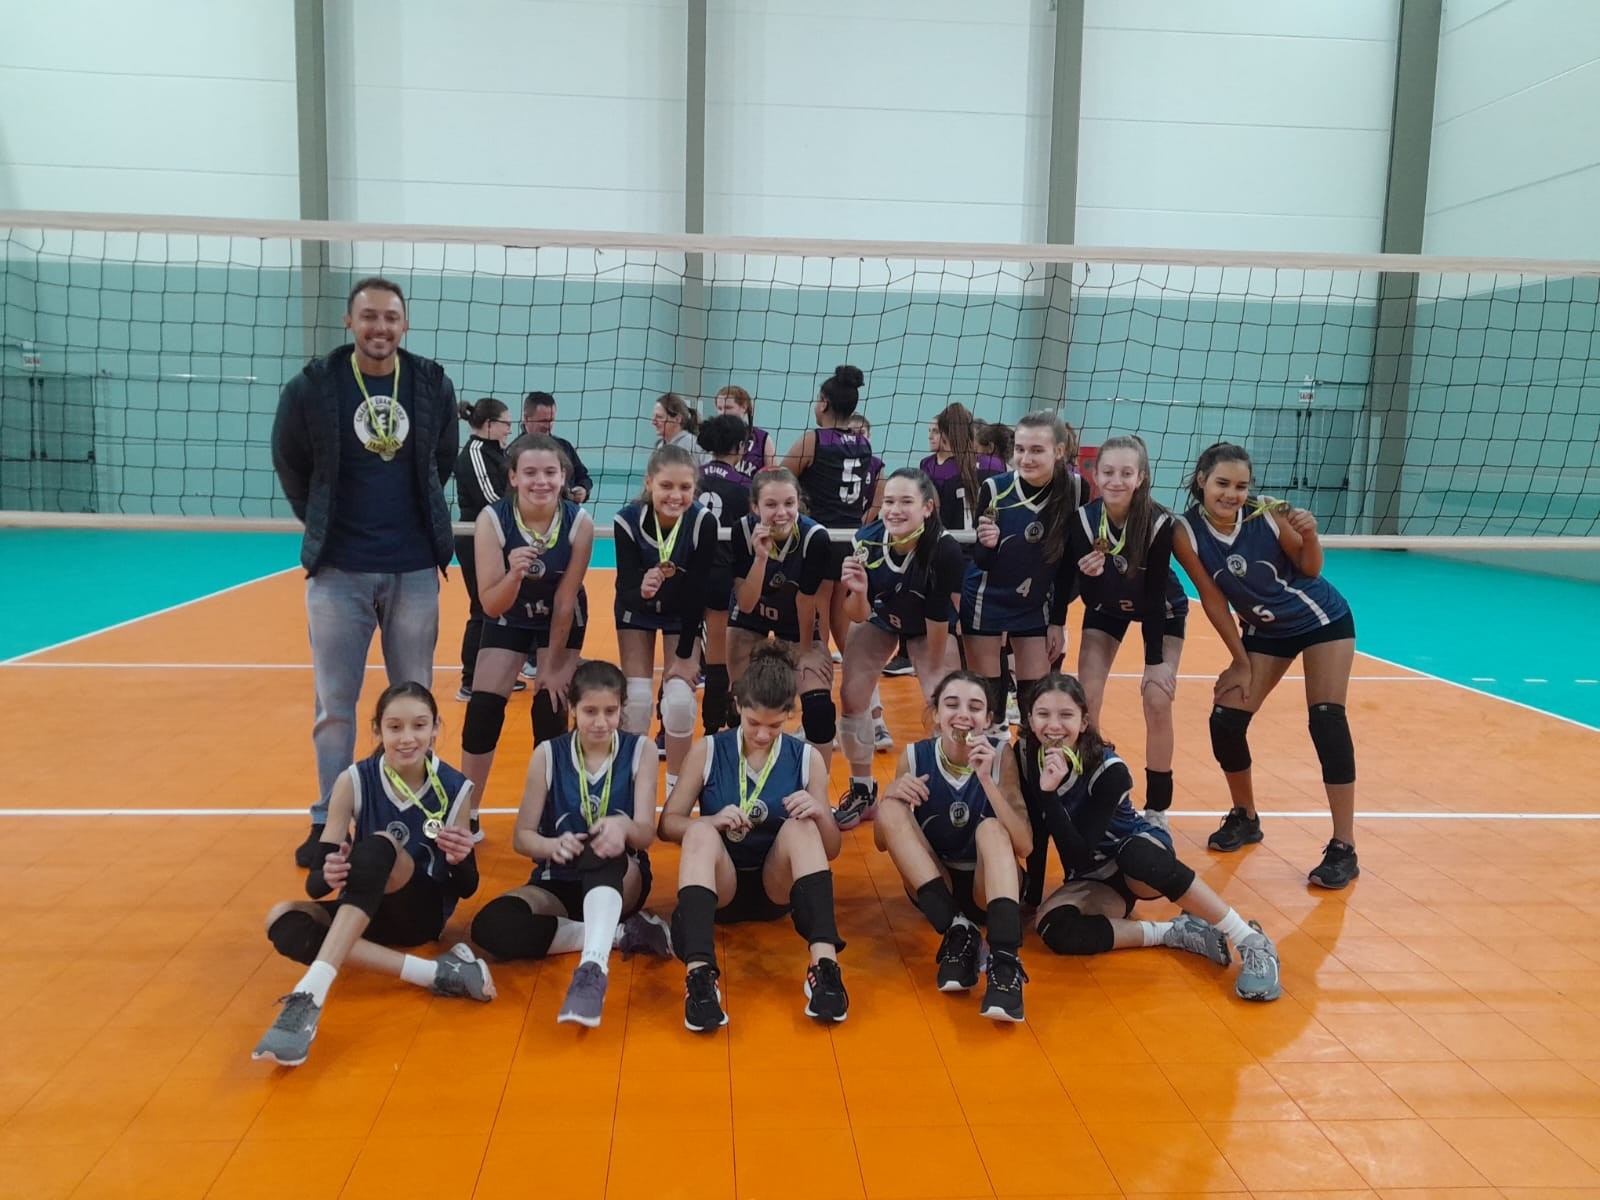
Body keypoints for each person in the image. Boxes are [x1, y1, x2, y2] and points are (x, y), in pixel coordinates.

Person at [272, 276, 460, 867]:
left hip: (413, 568)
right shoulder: (313, 386)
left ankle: (418, 811)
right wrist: (321, 520)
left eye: (391, 317)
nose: (380, 327)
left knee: (416, 702)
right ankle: (330, 821)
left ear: (405, 324)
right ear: (350, 322)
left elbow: (442, 459)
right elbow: (290, 461)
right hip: (339, 569)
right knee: (335, 704)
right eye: (369, 316)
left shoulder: (430, 383)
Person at [254, 683, 494, 1067]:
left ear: (435, 728)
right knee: (281, 918)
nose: (407, 738)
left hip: (421, 914)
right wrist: (329, 873)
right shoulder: (353, 780)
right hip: (363, 910)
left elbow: (467, 887)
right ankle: (434, 973)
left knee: (380, 845)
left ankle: (310, 994)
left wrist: (459, 859)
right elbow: (315, 885)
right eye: (394, 727)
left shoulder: (455, 787)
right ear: (377, 730)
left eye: (419, 726)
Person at [1015, 674, 1281, 1001]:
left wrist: (1048, 795)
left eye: (1066, 715)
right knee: (1054, 927)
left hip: (1139, 859)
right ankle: (1174, 933)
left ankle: (1250, 940)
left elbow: (1078, 853)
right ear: (1029, 719)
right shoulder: (1028, 753)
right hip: (1095, 876)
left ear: (1084, 722)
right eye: (1043, 714)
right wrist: (1032, 899)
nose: (1053, 725)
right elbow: (1040, 831)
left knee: (1135, 856)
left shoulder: (1109, 770)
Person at [1173, 442, 1359, 889]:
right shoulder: (1186, 532)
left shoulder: (1267, 514)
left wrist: (1310, 536)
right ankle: (1246, 816)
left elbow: (1310, 569)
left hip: (1321, 619)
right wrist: (1240, 661)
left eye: (1241, 486)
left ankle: (1344, 847)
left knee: (1327, 719)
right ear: (1201, 481)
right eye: (1222, 483)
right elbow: (1213, 599)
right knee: (1226, 719)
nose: (1231, 494)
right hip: (1266, 631)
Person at [469, 661, 673, 1026]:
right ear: (573, 708)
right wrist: (552, 847)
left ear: (622, 709)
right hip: (560, 879)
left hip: (620, 876)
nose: (601, 722)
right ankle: (621, 934)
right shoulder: (548, 754)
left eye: (610, 711)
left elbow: (646, 834)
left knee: (602, 846)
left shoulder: (639, 749)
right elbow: (522, 838)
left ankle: (592, 968)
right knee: (490, 926)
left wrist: (622, 826)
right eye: (590, 711)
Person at [659, 644, 848, 1031]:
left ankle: (825, 969)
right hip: (720, 887)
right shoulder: (709, 750)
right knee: (699, 830)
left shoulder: (806, 758)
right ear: (738, 707)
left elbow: (831, 848)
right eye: (753, 723)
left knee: (802, 826)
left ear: (789, 715)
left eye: (774, 726)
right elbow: (667, 825)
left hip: (776, 888)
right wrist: (712, 820)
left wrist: (819, 812)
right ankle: (700, 979)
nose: (763, 734)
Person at [875, 672, 1032, 1020]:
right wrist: (892, 793)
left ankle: (1005, 963)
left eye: (974, 707)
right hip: (938, 888)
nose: (963, 714)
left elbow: (1024, 846)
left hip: (988, 888)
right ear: (936, 714)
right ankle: (957, 931)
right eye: (951, 704)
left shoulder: (1000, 755)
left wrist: (987, 780)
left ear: (988, 719)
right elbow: (882, 840)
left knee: (992, 829)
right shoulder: (915, 756)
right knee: (889, 808)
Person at [461, 434, 592, 834]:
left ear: (563, 476)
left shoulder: (579, 522)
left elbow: (566, 600)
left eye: (550, 472)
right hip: (509, 612)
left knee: (550, 705)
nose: (541, 481)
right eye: (530, 472)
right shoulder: (492, 520)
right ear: (514, 477)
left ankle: (551, 809)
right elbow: (490, 605)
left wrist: (551, 668)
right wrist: (514, 575)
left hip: (561, 617)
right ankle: (467, 811)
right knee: (483, 709)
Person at [1061, 435, 1190, 833]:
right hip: (1107, 608)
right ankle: (1094, 785)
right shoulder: (1084, 520)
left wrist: (1155, 663)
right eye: (1108, 472)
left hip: (1161, 611)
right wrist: (1089, 577)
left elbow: (1153, 596)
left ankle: (1157, 807)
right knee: (1087, 697)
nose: (1116, 481)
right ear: (1096, 474)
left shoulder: (1159, 523)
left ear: (1141, 478)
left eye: (1126, 473)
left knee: (1156, 698)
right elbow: (1083, 593)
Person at [834, 469, 967, 828]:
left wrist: (934, 671)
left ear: (927, 508)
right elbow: (856, 613)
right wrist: (858, 590)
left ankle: (947, 791)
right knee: (852, 695)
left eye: (906, 501)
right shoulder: (866, 541)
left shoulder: (943, 549)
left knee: (946, 701)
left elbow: (938, 616)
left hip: (928, 625)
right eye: (889, 501)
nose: (894, 510)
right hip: (879, 616)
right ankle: (862, 792)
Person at [961, 411, 1088, 724]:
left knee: (1036, 706)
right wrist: (988, 545)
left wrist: (1057, 621)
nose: (1026, 458)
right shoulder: (994, 488)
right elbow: (982, 561)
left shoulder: (1075, 489)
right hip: (986, 600)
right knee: (989, 708)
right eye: (1020, 449)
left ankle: (1031, 757)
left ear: (1059, 451)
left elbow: (1067, 563)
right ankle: (992, 752)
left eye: (1036, 450)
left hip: (1034, 603)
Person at [614, 444, 719, 792]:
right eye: (666, 486)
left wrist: (688, 656)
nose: (676, 495)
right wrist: (641, 590)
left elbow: (699, 591)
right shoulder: (627, 521)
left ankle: (677, 791)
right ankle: (628, 788)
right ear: (649, 484)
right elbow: (624, 588)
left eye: (685, 487)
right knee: (637, 700)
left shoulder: (702, 522)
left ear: (695, 488)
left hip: (681, 613)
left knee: (678, 701)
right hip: (636, 612)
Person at [727, 468, 837, 768]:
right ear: (755, 507)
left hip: (796, 618)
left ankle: (817, 785)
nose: (781, 513)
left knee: (819, 709)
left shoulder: (815, 538)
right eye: (771, 504)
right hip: (753, 615)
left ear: (798, 502)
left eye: (789, 503)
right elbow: (746, 604)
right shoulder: (742, 531)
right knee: (739, 701)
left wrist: (807, 651)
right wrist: (761, 558)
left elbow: (807, 600)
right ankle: (741, 772)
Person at [781, 365, 871, 656]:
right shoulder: (863, 444)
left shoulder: (814, 440)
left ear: (824, 403)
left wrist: (798, 501)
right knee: (841, 622)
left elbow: (778, 480)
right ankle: (862, 682)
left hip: (819, 537)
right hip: (851, 538)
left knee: (816, 616)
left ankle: (816, 676)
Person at [452, 397, 519, 701]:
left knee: (501, 607)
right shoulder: (475, 453)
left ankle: (494, 674)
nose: (509, 429)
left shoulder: (498, 452)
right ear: (490, 424)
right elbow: (492, 498)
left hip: (497, 538)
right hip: (475, 538)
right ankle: (470, 680)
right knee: (482, 607)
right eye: (506, 423)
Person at [695, 414, 754, 735]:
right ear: (740, 446)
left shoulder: (691, 478)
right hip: (722, 574)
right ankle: (716, 724)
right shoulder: (745, 486)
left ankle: (667, 728)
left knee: (682, 650)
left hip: (689, 573)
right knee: (718, 653)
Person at [920, 403, 1006, 534]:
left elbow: (931, 516)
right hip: (988, 540)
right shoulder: (997, 464)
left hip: (951, 541)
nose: (930, 436)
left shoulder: (936, 471)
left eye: (936, 431)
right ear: (971, 431)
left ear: (944, 435)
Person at [523, 390, 592, 503]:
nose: (548, 426)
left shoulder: (564, 447)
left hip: (566, 511)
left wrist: (583, 489)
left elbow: (583, 477)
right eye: (543, 421)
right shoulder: (514, 452)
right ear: (526, 418)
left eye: (551, 421)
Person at [713, 385, 776, 477]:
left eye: (728, 407)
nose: (723, 413)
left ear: (744, 407)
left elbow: (773, 476)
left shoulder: (762, 438)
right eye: (720, 408)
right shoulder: (712, 437)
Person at [651, 392, 704, 464]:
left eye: (659, 417)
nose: (653, 422)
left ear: (677, 419)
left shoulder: (695, 444)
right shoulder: (659, 447)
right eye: (654, 417)